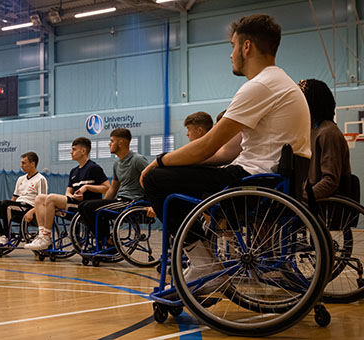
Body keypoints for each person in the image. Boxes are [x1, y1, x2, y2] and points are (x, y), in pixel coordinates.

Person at [140, 14, 311, 282]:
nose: (230, 55)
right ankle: (205, 256)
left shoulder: (259, 86)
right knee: (178, 172)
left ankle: (202, 261)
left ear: (247, 47)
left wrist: (160, 162)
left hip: (254, 181)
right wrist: (186, 162)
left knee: (155, 180)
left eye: (232, 46)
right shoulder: (280, 83)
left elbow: (206, 146)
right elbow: (224, 153)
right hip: (271, 180)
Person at [24, 137, 110, 250]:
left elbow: (106, 187)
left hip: (87, 206)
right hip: (74, 204)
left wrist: (87, 187)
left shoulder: (94, 168)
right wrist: (72, 196)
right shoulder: (73, 171)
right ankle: (41, 235)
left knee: (51, 198)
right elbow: (68, 192)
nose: (71, 152)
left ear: (83, 151)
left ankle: (46, 237)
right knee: (40, 198)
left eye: (74, 149)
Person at [78, 128, 148, 244]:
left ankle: (107, 242)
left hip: (132, 201)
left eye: (111, 141)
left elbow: (151, 180)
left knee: (90, 207)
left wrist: (150, 204)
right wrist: (102, 204)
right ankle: (104, 240)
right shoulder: (117, 164)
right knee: (84, 206)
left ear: (120, 143)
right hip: (120, 200)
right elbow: (113, 188)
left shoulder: (137, 160)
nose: (109, 144)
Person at [298, 79, 351, 199]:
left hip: (326, 206)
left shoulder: (328, 133)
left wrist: (302, 198)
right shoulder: (311, 131)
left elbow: (330, 181)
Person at [0, 152, 47, 245]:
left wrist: (32, 211)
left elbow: (42, 201)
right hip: (17, 206)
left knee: (6, 204)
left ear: (32, 164)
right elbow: (14, 198)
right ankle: (0, 234)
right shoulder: (20, 179)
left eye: (24, 163)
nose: (21, 165)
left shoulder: (40, 179)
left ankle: (6, 236)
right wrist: (2, 208)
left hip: (29, 208)